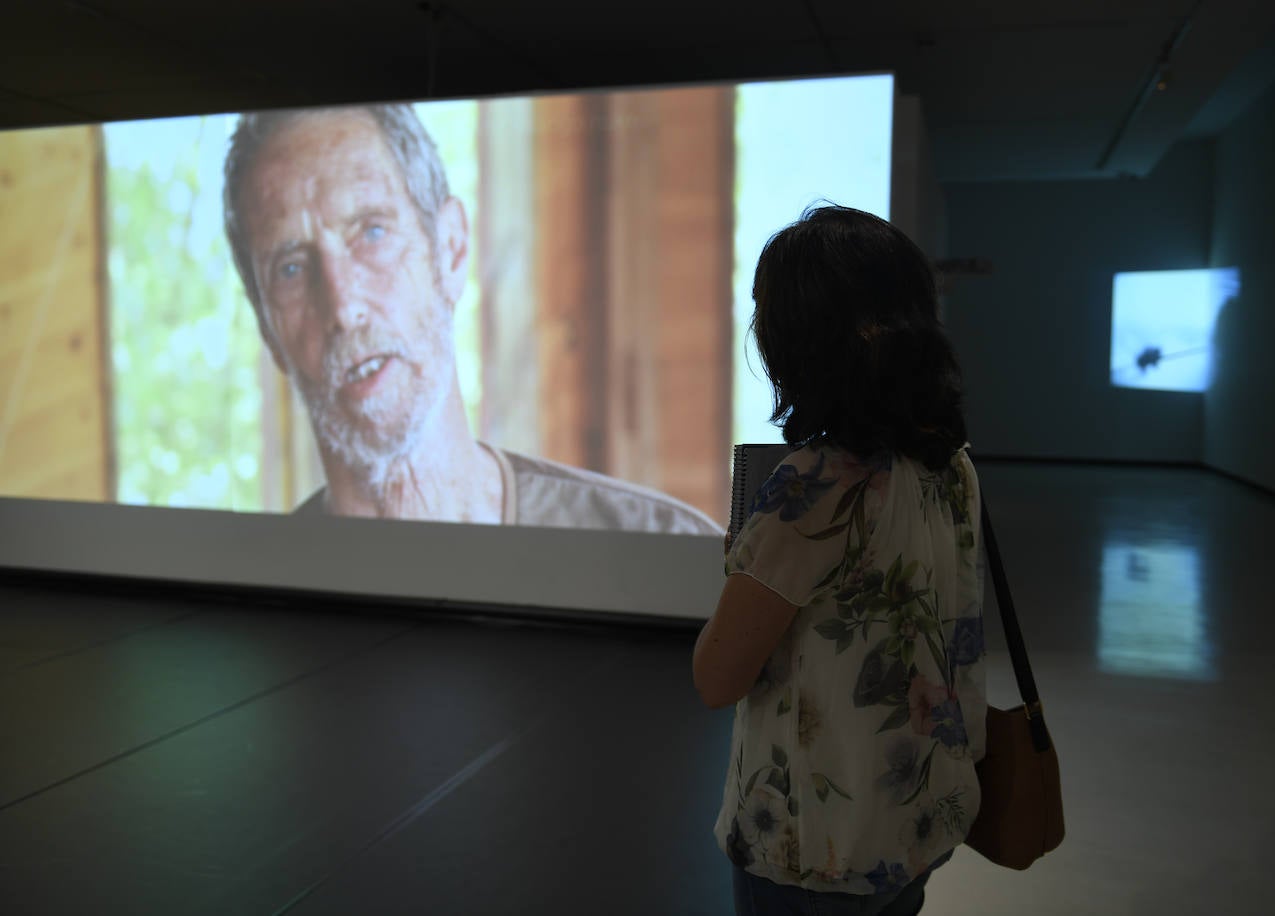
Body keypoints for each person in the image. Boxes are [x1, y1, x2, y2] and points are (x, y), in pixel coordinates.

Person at [221, 103, 719, 534]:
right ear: (267, 328)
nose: (344, 306)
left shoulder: (664, 547)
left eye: (371, 233)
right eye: (290, 268)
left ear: (451, 250)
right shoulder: (253, 596)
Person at [692, 205, 986, 914]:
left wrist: (747, 567)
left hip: (813, 850)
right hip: (911, 822)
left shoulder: (813, 487)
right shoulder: (951, 464)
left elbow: (717, 676)